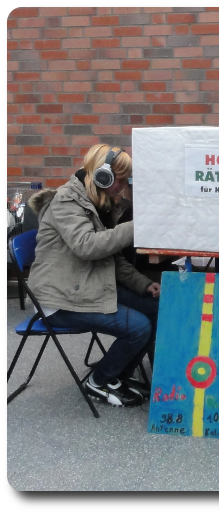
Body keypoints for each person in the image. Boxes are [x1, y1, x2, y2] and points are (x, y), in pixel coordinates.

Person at [27, 144, 161, 408]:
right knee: (139, 326)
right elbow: (87, 246)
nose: (122, 187)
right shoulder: (66, 202)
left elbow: (112, 258)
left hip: (85, 284)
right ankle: (98, 381)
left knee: (156, 308)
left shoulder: (97, 203)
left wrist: (143, 284)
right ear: (102, 176)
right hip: (59, 298)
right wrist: (139, 225)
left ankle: (117, 376)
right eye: (120, 180)